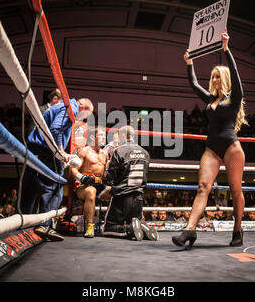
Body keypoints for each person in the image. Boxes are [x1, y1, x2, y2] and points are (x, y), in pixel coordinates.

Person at [172, 29, 247, 249]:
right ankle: (189, 230)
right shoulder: (210, 99)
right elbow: (195, 85)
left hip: (232, 148)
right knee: (203, 187)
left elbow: (236, 74)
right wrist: (189, 63)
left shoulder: (234, 98)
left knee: (235, 191)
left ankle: (237, 229)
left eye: (217, 76)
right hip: (212, 148)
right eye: (212, 76)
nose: (213, 79)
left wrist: (226, 50)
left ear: (224, 79)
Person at [20, 97, 93, 241]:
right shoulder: (70, 108)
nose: (83, 119)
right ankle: (45, 226)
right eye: (86, 116)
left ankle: (22, 226)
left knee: (31, 187)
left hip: (35, 149)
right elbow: (54, 129)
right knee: (55, 187)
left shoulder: (64, 106)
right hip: (46, 151)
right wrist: (60, 151)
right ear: (83, 108)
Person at [102, 125, 158, 241]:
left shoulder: (119, 151)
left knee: (108, 228)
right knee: (135, 220)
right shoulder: (145, 153)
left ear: (123, 135)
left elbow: (110, 177)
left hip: (122, 196)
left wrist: (105, 176)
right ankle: (141, 227)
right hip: (138, 198)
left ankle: (129, 229)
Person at [70, 126, 109, 238]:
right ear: (93, 137)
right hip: (83, 186)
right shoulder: (84, 151)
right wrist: (82, 178)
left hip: (99, 185)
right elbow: (73, 169)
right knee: (91, 191)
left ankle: (115, 225)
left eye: (104, 135)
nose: (103, 137)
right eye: (100, 135)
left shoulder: (104, 154)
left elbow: (105, 173)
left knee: (117, 192)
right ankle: (90, 227)